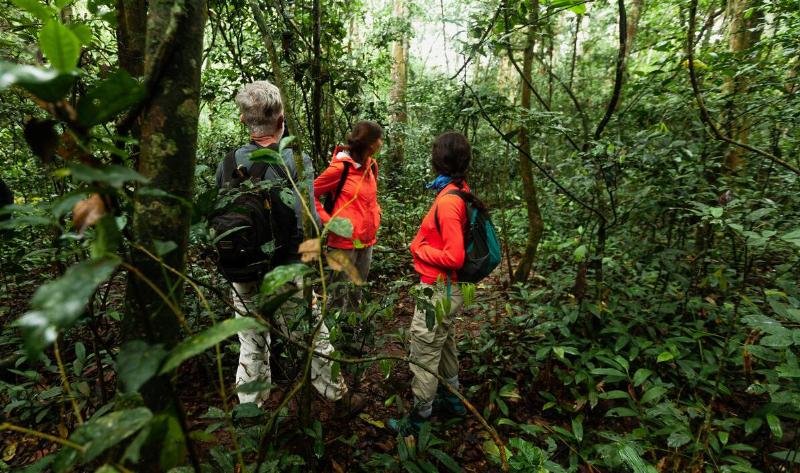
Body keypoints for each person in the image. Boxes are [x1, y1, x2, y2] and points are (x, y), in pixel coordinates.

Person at [215, 80, 364, 414]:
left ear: (243, 120)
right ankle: (335, 396)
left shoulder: (227, 163)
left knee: (251, 341)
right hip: (284, 269)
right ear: (282, 120)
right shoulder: (294, 160)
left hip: (240, 268)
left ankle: (250, 408)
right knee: (315, 335)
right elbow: (308, 220)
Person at [389, 132, 474, 434]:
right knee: (444, 343)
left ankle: (420, 418)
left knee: (424, 351)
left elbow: (454, 256)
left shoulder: (449, 201)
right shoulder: (459, 189)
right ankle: (452, 401)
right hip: (449, 290)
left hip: (438, 289)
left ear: (439, 159)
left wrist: (418, 248)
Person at [313, 121, 383, 314]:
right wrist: (328, 220)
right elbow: (310, 193)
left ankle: (351, 330)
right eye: (379, 139)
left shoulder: (372, 166)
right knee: (338, 292)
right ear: (370, 143)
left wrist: (376, 212)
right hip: (343, 242)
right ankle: (334, 333)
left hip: (366, 240)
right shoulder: (340, 169)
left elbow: (369, 198)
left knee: (357, 288)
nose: (382, 143)